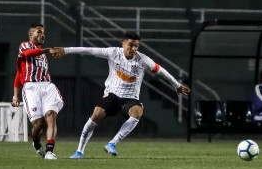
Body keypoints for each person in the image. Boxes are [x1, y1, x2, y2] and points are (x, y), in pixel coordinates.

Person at [51, 31, 190, 158]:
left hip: (130, 98)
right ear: (123, 43)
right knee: (96, 115)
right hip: (112, 95)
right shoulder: (113, 53)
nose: (134, 49)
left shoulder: (143, 60)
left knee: (137, 112)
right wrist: (65, 50)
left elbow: (161, 71)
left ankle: (112, 143)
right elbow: (89, 50)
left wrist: (176, 85)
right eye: (131, 45)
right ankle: (79, 151)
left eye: (136, 46)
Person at [11, 24, 64, 160]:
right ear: (30, 35)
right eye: (39, 32)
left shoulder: (42, 53)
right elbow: (19, 74)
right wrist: (16, 95)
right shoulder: (24, 46)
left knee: (51, 115)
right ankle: (35, 142)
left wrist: (45, 51)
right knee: (38, 124)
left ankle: (49, 151)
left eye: (43, 32)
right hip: (31, 88)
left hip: (47, 86)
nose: (42, 35)